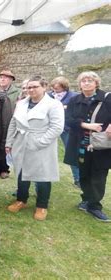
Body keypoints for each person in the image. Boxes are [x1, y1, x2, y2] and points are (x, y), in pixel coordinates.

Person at [6, 76, 64, 221]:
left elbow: (57, 128)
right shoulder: (21, 103)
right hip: (21, 142)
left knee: (43, 175)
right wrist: (9, 142)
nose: (30, 90)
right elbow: (13, 122)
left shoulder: (53, 104)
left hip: (41, 144)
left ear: (44, 87)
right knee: (21, 172)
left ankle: (42, 206)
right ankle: (21, 200)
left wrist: (40, 142)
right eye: (28, 87)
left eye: (34, 87)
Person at [64, 71, 111, 222]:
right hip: (80, 143)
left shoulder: (107, 98)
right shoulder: (74, 100)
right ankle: (86, 199)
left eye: (90, 80)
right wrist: (86, 125)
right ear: (79, 84)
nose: (86, 83)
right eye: (83, 80)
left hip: (100, 144)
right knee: (83, 173)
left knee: (98, 174)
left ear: (96, 83)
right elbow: (68, 119)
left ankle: (95, 206)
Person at [50, 76, 80, 188]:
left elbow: (77, 113)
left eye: (57, 88)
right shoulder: (48, 96)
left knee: (72, 153)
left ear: (64, 87)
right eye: (53, 88)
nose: (54, 90)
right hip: (50, 128)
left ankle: (78, 179)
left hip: (67, 128)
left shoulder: (74, 96)